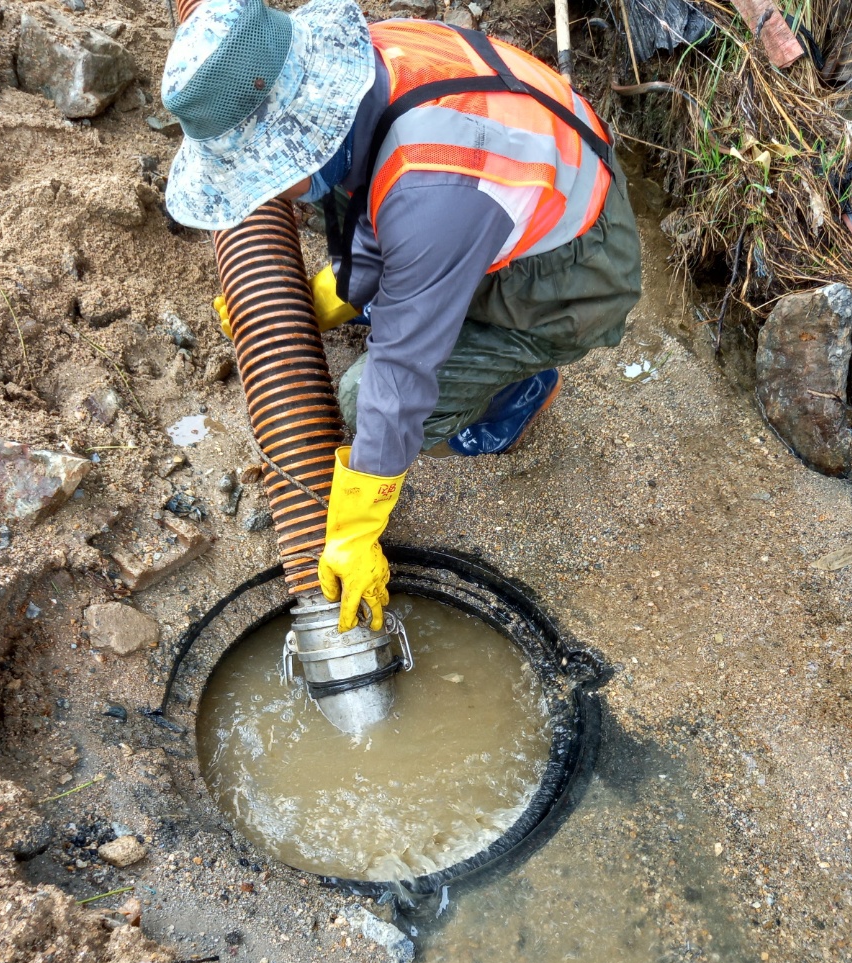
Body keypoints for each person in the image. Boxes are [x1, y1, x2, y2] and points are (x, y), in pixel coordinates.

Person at [162, 0, 641, 632]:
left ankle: (518, 392)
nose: (270, 195)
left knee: (364, 403)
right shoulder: (368, 65)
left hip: (569, 276)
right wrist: (337, 293)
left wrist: (358, 526)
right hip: (523, 190)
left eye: (263, 176)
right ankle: (473, 343)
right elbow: (379, 187)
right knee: (393, 289)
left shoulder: (433, 195)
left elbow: (402, 370)